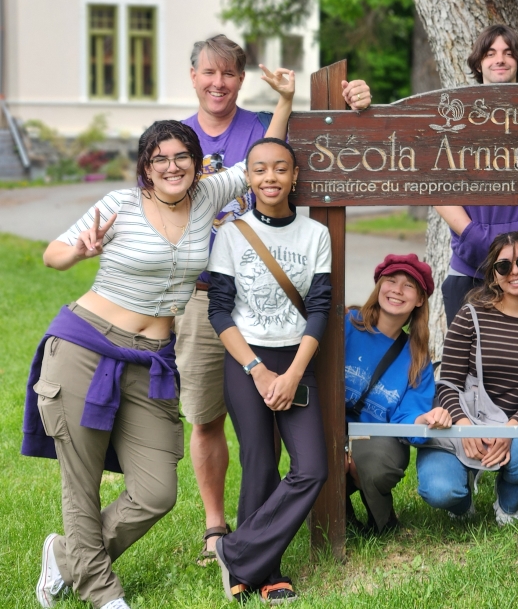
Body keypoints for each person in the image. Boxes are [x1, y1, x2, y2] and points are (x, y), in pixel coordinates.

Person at [26, 120, 256, 609]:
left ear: (197, 163)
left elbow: (256, 161)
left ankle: (65, 557)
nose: (171, 166)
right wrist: (79, 252)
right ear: (145, 167)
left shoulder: (210, 196)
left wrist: (282, 100)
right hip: (85, 347)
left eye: (181, 157)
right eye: (159, 159)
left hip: (150, 359)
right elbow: (52, 255)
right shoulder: (120, 204)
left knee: (157, 491)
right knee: (82, 481)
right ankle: (104, 595)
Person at [178, 34, 372, 564]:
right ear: (193, 76)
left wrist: (342, 104)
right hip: (208, 298)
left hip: (285, 326)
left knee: (295, 456)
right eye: (208, 73)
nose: (218, 83)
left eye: (229, 74)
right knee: (208, 417)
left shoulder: (259, 131)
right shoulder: (179, 140)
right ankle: (218, 530)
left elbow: (284, 151)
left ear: (240, 79)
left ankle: (244, 547)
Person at [205, 137, 331, 603]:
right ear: (249, 178)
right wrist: (257, 370)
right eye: (259, 170)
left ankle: (235, 551)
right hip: (246, 360)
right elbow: (220, 311)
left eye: (280, 168)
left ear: (294, 176)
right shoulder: (233, 233)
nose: (270, 177)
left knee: (312, 468)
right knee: (260, 459)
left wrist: (294, 373)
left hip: (296, 359)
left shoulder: (314, 234)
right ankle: (267, 572)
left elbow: (319, 308)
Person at [416, 231, 518, 525]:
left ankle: (507, 503)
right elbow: (448, 382)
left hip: (514, 425)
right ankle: (462, 499)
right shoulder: (471, 315)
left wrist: (511, 430)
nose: (515, 271)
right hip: (465, 420)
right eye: (504, 266)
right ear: (493, 275)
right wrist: (465, 428)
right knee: (441, 491)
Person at [435, 24, 518, 323]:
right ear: (479, 64)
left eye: (508, 53)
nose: (500, 59)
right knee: (469, 361)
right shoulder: (454, 118)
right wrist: (470, 233)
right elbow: (435, 183)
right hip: (469, 266)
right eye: (490, 53)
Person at [344, 254, 452, 533]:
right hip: (328, 429)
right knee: (319, 464)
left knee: (376, 464)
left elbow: (408, 417)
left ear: (419, 300)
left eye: (408, 286)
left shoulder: (416, 357)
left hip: (375, 437)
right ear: (379, 286)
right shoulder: (346, 322)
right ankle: (338, 521)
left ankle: (383, 523)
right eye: (390, 281)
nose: (397, 290)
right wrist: (337, 447)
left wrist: (427, 418)